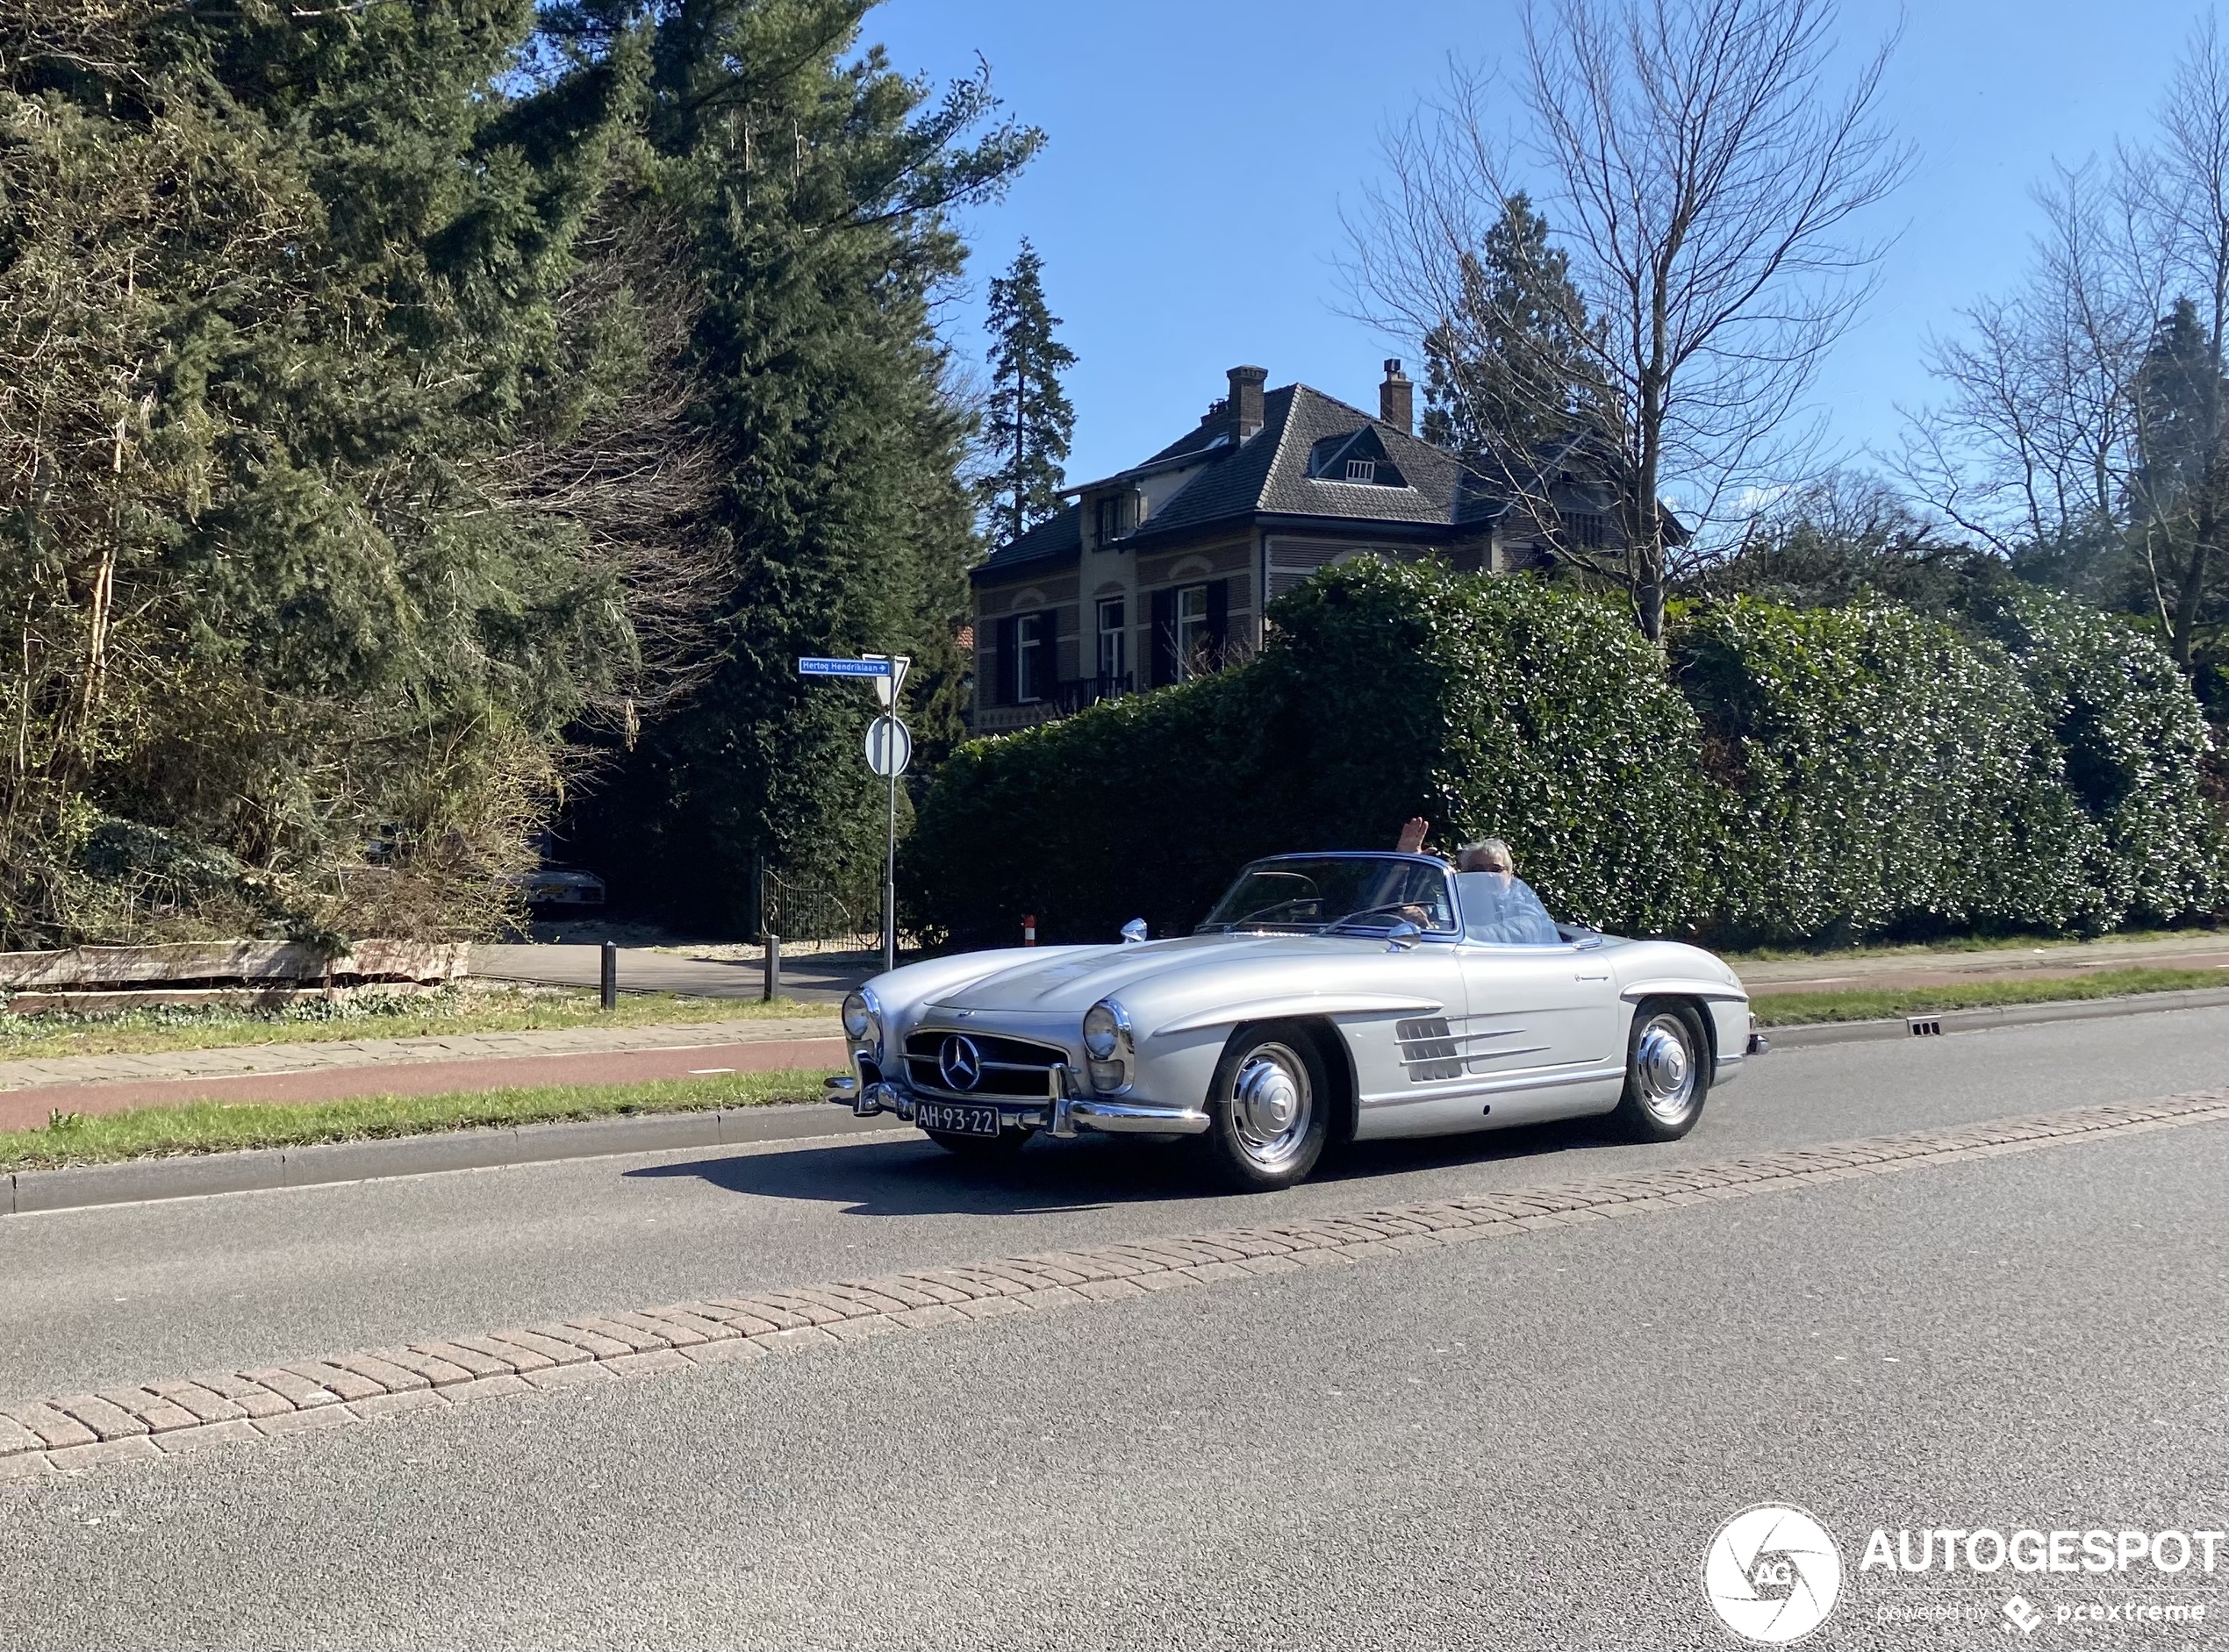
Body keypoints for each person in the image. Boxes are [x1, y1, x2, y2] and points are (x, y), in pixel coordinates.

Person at [1396, 817, 1516, 875]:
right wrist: (1405, 863)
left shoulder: (1521, 906)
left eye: (1495, 869)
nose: (1488, 875)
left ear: (1509, 874)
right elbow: (1388, 908)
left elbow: (1521, 923)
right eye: (1478, 870)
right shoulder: (1454, 903)